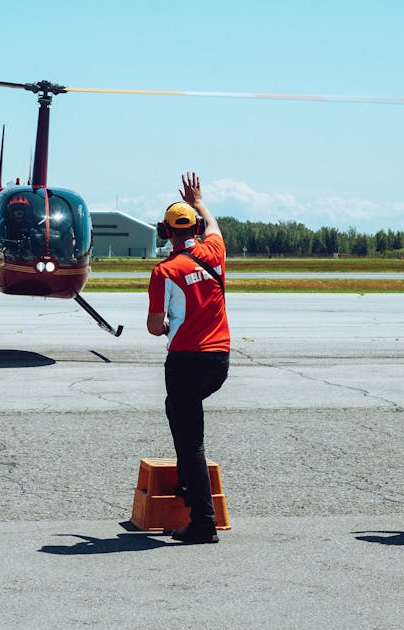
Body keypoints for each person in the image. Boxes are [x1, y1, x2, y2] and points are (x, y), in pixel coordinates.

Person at [146, 172, 230, 544]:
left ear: (166, 232)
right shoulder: (215, 252)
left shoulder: (165, 271)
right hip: (219, 361)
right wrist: (199, 199)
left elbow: (153, 326)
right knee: (177, 412)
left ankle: (202, 522)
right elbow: (213, 224)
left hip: (185, 361)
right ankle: (186, 484)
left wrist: (167, 327)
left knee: (190, 440)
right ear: (194, 227)